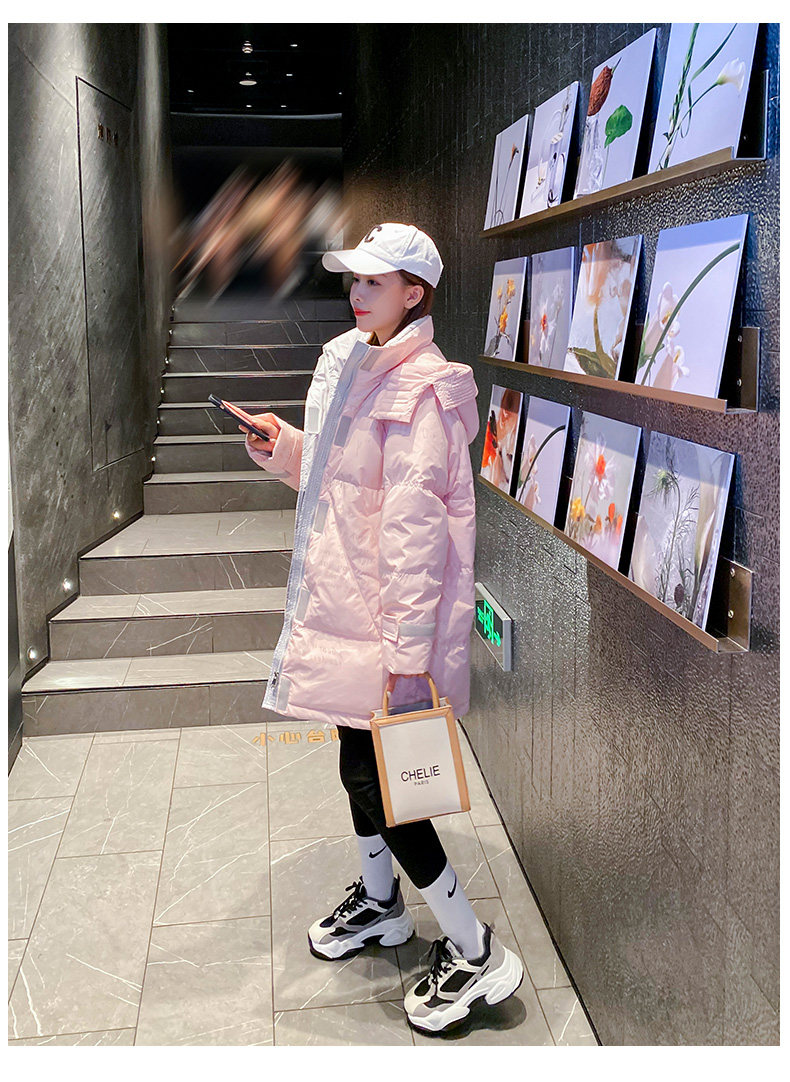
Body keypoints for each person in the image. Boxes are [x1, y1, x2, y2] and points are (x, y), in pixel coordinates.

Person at [241, 223, 524, 1034]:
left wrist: (407, 658)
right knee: (357, 767)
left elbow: (415, 537)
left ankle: (473, 949)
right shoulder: (354, 363)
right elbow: (340, 481)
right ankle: (380, 903)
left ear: (414, 293)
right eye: (354, 278)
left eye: (375, 280)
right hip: (347, 610)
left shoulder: (423, 391)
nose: (357, 291)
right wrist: (285, 447)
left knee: (386, 785)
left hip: (384, 627)